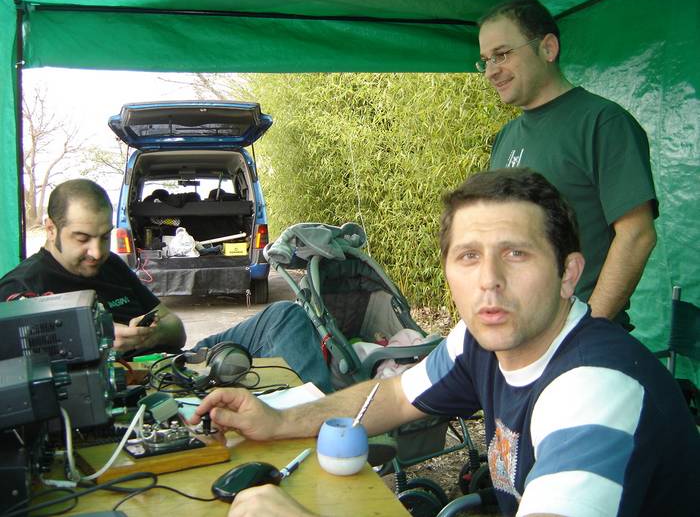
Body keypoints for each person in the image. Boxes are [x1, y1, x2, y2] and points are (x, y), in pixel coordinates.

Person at [191, 169, 699, 517]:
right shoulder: (482, 341)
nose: (489, 280)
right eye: (469, 256)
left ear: (569, 274)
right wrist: (278, 421)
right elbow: (395, 395)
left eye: (516, 254)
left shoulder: (594, 387)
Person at [0, 179, 334, 392]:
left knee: (286, 316)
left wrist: (151, 335)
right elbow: (20, 369)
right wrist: (100, 342)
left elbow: (176, 329)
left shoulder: (110, 265)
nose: (97, 251)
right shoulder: (22, 286)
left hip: (174, 366)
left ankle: (318, 422)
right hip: (115, 388)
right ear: (50, 229)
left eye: (103, 237)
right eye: (82, 238)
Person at [479, 0, 657, 329]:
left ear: (548, 48)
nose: (491, 71)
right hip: (517, 332)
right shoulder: (506, 137)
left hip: (579, 338)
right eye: (485, 60)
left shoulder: (602, 123)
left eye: (502, 54)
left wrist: (585, 331)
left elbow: (637, 235)